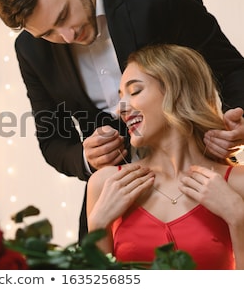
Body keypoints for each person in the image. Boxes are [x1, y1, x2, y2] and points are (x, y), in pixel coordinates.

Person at [0, 0, 244, 242]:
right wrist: (87, 159)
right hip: (111, 202)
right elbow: (53, 140)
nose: (66, 36)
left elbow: (232, 70)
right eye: (48, 33)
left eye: (63, 16)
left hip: (202, 186)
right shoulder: (31, 51)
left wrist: (235, 118)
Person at [86, 44, 244, 269]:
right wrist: (98, 227)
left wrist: (239, 216)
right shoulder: (107, 184)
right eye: (121, 97)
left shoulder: (237, 183)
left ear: (177, 92)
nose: (120, 109)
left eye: (135, 91)